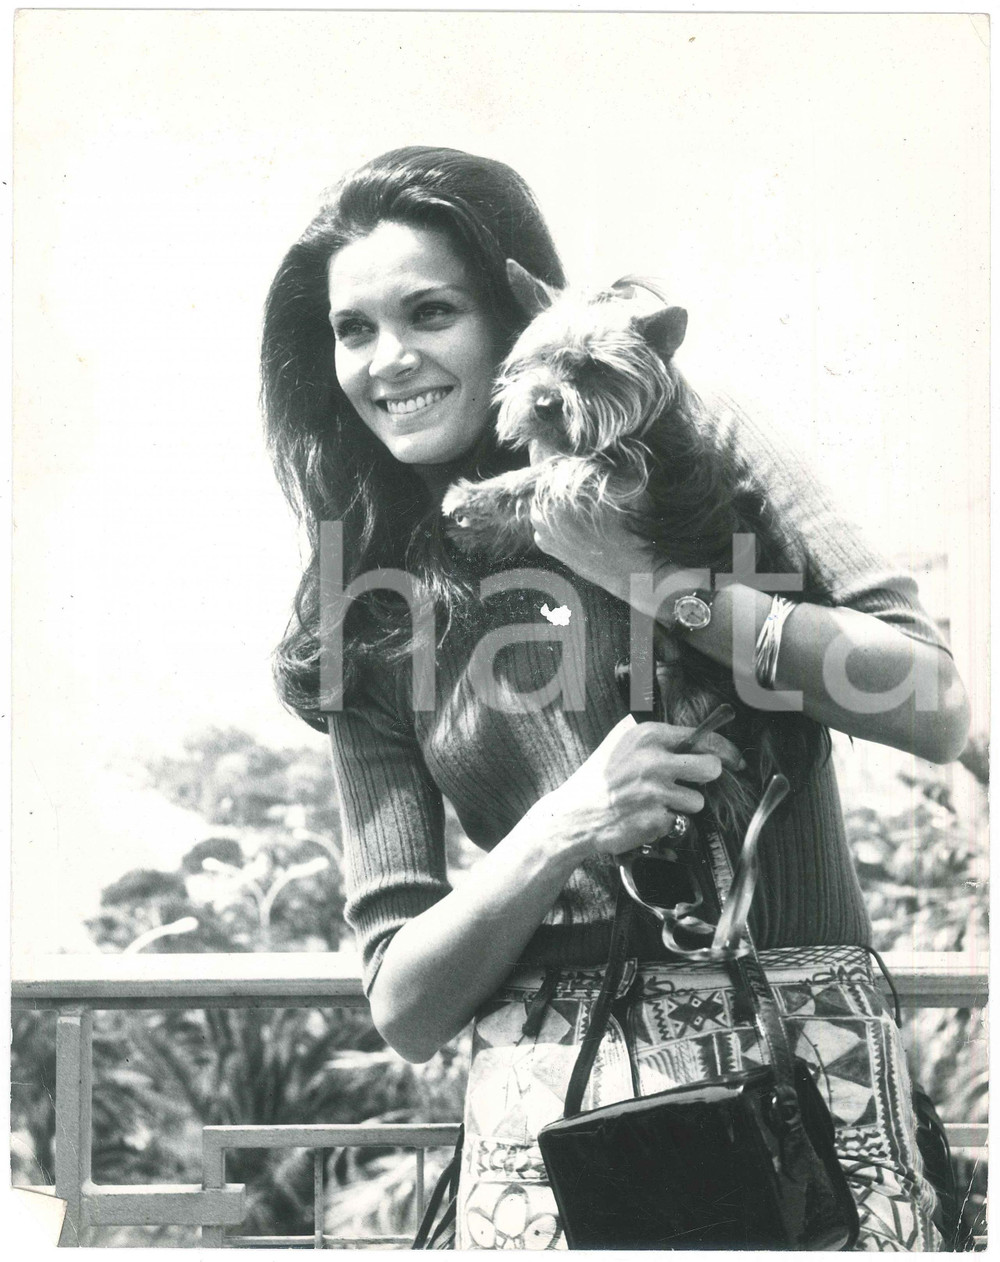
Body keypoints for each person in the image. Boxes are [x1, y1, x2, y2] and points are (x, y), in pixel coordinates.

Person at [262, 146, 969, 1251]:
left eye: (430, 312)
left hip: (800, 1103)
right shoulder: (373, 597)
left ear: (516, 309)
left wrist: (652, 580)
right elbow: (403, 1001)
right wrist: (562, 826)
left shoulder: (696, 440)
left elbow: (934, 705)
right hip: (559, 1156)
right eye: (353, 330)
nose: (388, 360)